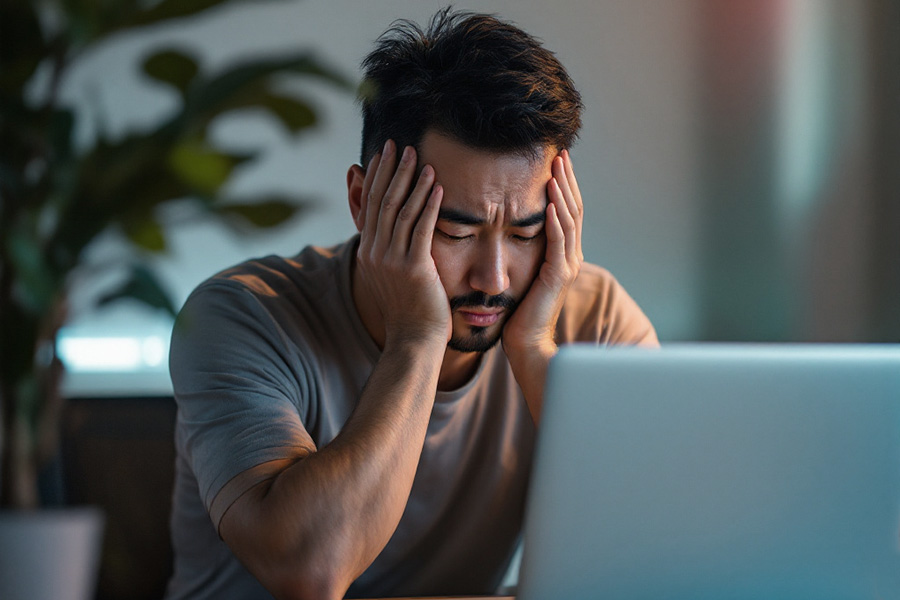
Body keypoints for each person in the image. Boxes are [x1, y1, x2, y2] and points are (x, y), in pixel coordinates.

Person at [165, 8, 657, 600]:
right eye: (456, 231)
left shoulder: (590, 315)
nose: (493, 276)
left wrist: (532, 349)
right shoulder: (240, 317)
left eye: (526, 233)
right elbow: (312, 572)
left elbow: (665, 549)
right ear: (363, 200)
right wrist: (417, 337)